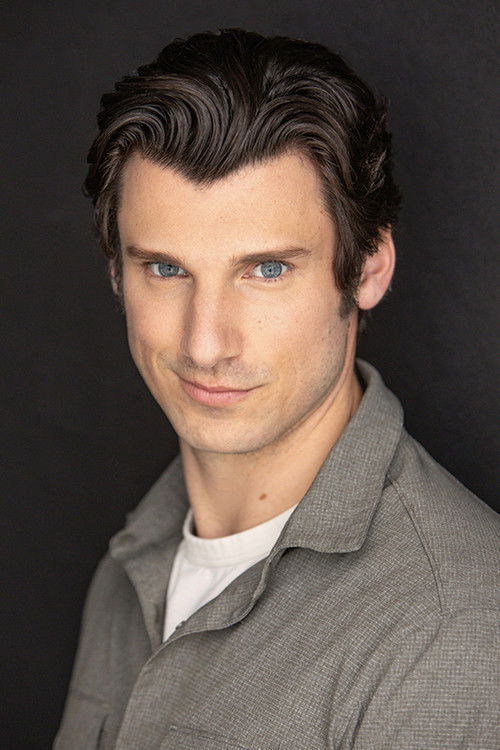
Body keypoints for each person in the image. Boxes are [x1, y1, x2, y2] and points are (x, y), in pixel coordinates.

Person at [54, 28, 499, 750]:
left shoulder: (455, 633)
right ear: (116, 272)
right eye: (165, 269)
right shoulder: (130, 562)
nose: (205, 344)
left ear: (367, 268)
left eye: (266, 270)